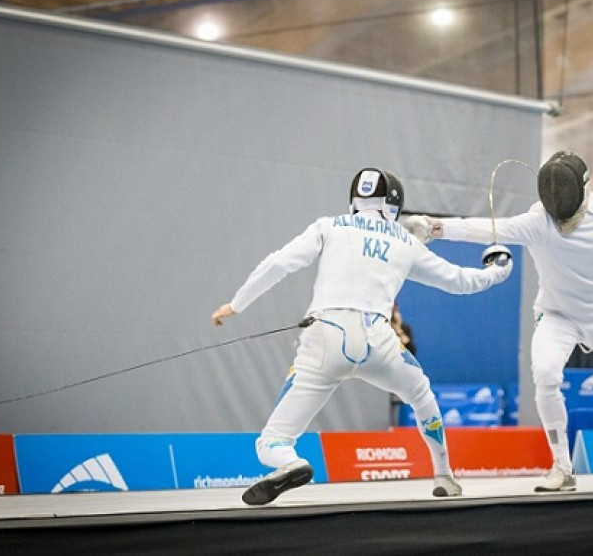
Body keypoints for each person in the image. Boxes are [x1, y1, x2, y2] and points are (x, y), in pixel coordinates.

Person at [211, 167, 513, 505]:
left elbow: (278, 263)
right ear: (394, 204)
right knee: (421, 394)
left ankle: (292, 462)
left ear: (355, 199)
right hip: (378, 343)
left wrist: (236, 304)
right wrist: (497, 271)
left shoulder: (329, 226)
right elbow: (459, 281)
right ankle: (444, 475)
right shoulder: (405, 242)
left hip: (324, 338)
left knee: (271, 441)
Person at [405, 152, 593, 491]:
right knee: (545, 375)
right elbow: (486, 228)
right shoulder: (537, 221)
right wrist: (435, 227)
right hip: (557, 315)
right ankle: (562, 466)